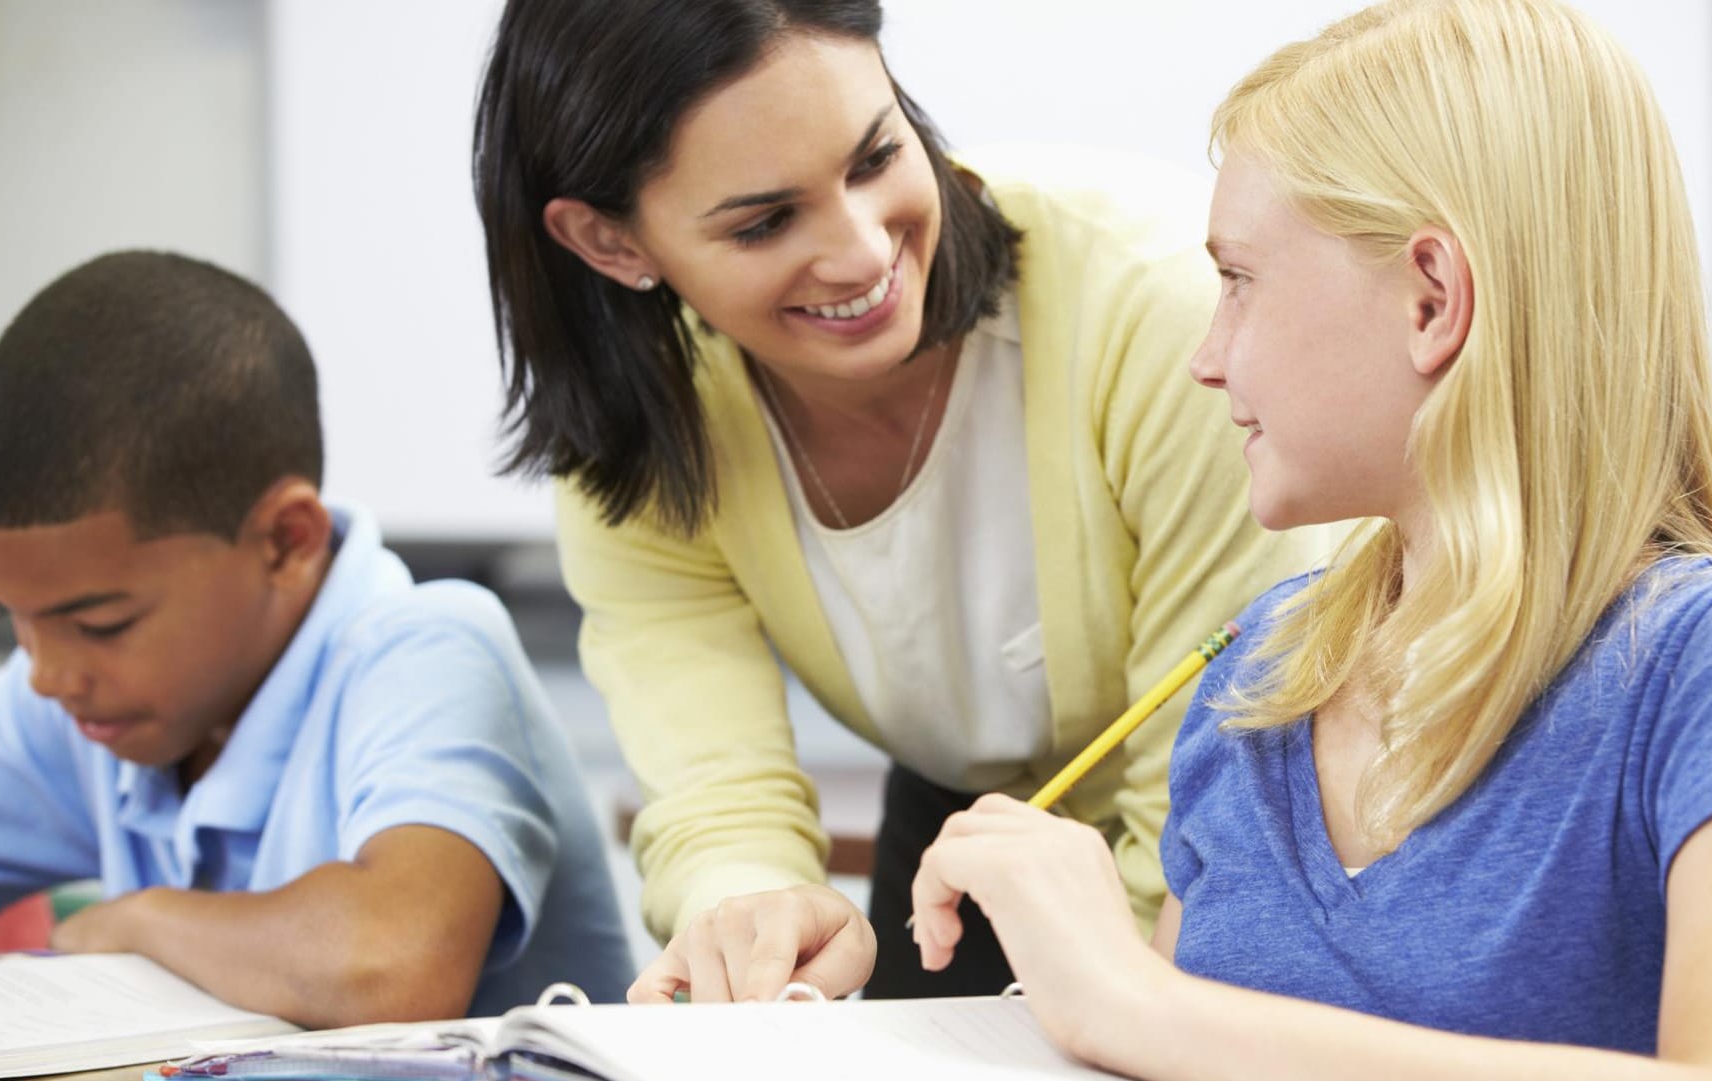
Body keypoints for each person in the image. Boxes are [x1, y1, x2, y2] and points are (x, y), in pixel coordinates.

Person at [908, 0, 1712, 1076]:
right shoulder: (1262, 671)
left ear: (1432, 300)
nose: (1206, 359)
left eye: (1237, 281)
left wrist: (1140, 1001)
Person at [473, 0, 1337, 1002]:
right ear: (609, 242)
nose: (862, 254)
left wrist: (1120, 1004)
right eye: (763, 222)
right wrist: (754, 922)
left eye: (875, 157)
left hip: (1250, 840)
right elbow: (719, 798)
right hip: (965, 836)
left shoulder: (1163, 310)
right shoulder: (641, 441)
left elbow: (1215, 803)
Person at [0, 251, 634, 1026]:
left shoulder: (430, 651)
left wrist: (137, 920)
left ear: (287, 541)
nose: (47, 672)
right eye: (14, 619)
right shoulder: (83, 698)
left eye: (101, 624)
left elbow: (390, 965)